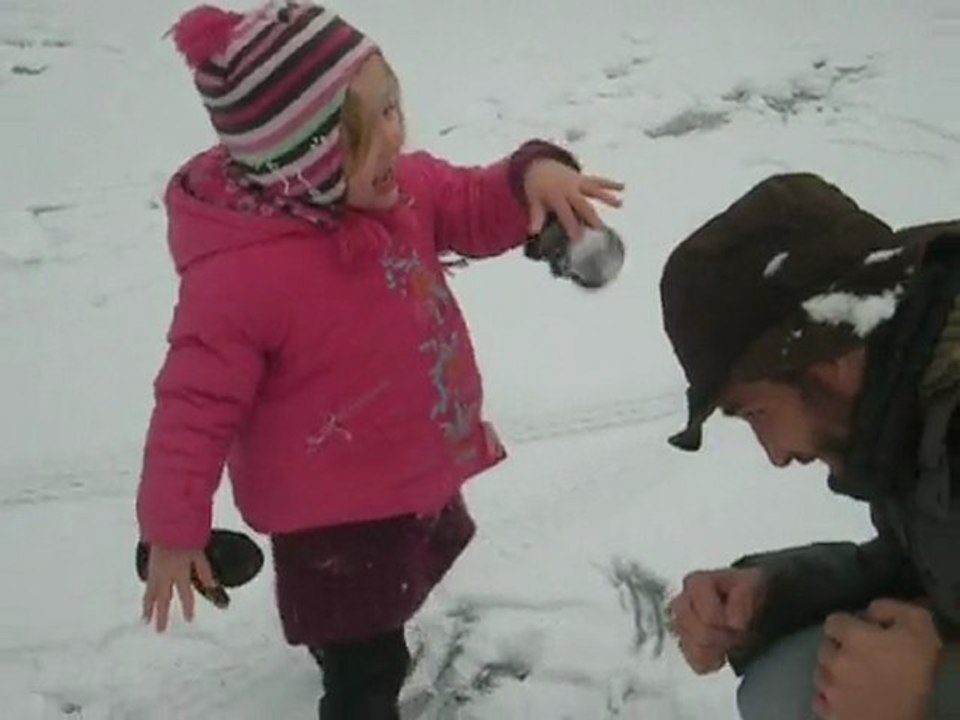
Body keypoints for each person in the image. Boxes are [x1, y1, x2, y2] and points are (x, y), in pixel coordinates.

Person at [134, 2, 623, 718]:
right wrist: (172, 530)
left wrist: (534, 178)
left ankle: (340, 637)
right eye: (372, 129)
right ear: (306, 160)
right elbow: (192, 406)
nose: (398, 135)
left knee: (389, 589)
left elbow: (474, 199)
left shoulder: (398, 193)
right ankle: (351, 665)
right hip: (329, 510)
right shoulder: (242, 276)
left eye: (395, 107)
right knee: (369, 667)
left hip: (402, 465)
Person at [659, 173, 959, 719]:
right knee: (791, 685)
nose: (774, 455)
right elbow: (928, 564)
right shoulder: (902, 394)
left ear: (828, 358)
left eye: (755, 413)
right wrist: (772, 595)